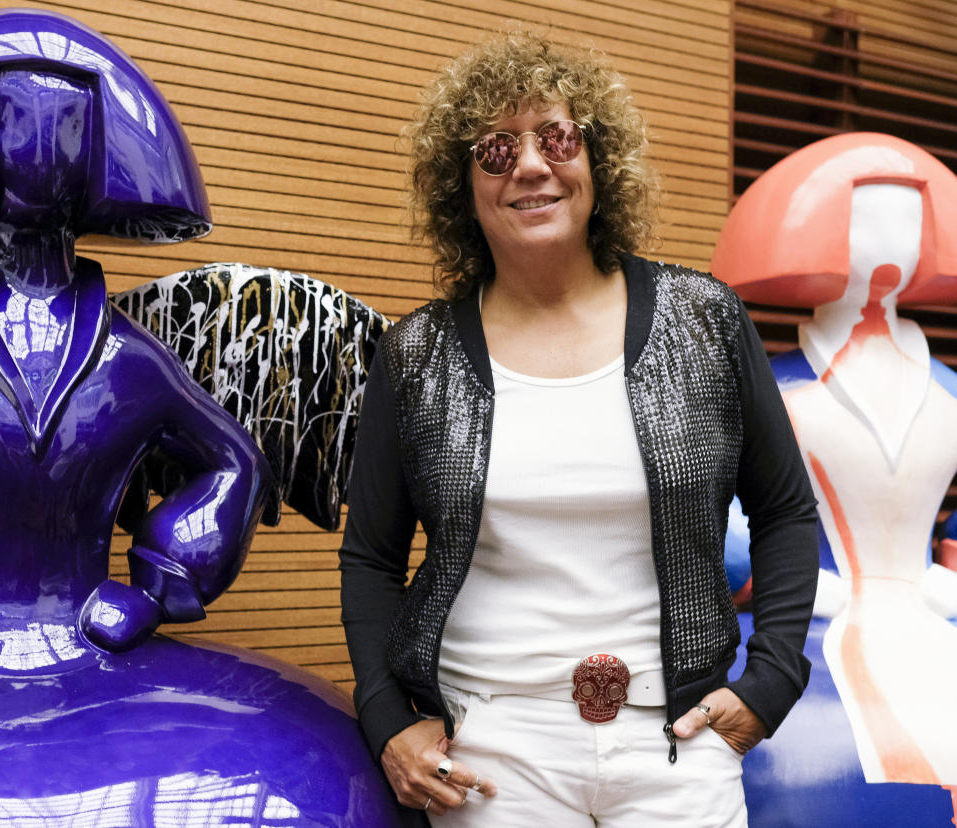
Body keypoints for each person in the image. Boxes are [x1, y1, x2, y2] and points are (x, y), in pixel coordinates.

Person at [339, 31, 819, 827]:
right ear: (464, 186)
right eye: (495, 149)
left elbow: (785, 513)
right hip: (490, 749)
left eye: (556, 137)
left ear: (597, 160)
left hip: (680, 742)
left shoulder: (703, 320)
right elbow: (372, 557)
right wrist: (389, 719)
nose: (530, 165)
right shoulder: (416, 356)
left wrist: (770, 683)